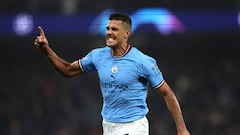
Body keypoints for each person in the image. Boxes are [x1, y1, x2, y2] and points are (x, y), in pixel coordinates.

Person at [34, 13, 190, 135]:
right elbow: (67, 70)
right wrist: (46, 51)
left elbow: (167, 93)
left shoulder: (143, 62)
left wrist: (181, 129)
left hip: (134, 126)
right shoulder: (97, 56)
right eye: (107, 28)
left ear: (126, 34)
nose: (109, 32)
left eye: (114, 29)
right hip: (108, 126)